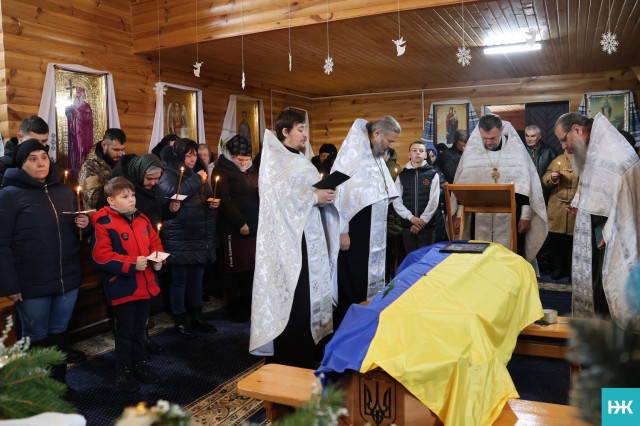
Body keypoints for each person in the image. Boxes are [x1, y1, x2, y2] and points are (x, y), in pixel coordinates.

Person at [0, 140, 90, 398]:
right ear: (21, 164)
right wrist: (10, 285)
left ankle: (58, 385)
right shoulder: (9, 194)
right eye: (32, 159)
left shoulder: (63, 191)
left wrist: (85, 225)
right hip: (31, 282)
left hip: (66, 277)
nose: (41, 163)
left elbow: (74, 232)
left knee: (59, 334)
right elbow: (1, 244)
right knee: (36, 337)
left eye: (43, 157)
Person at [250, 109, 334, 368]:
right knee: (298, 298)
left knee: (312, 295)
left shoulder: (303, 160)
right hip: (291, 243)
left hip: (311, 237)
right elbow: (278, 202)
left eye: (305, 128)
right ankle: (293, 357)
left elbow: (307, 193)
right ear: (285, 132)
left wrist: (324, 196)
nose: (305, 134)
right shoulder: (275, 161)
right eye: (300, 129)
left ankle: (313, 350)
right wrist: (313, 197)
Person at [554, 112, 640, 328]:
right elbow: (593, 186)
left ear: (576, 130)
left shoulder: (611, 153)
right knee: (595, 286)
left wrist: (608, 231)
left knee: (605, 289)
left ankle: (609, 337)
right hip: (596, 230)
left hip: (610, 235)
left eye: (564, 139)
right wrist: (580, 203)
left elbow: (622, 200)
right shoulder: (592, 148)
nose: (564, 146)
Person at [324, 115, 400, 329]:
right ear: (377, 134)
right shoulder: (350, 159)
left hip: (374, 232)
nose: (390, 146)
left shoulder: (376, 158)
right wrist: (342, 230)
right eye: (389, 141)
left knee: (368, 281)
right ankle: (349, 327)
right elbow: (336, 196)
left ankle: (366, 324)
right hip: (355, 234)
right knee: (353, 280)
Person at [91, 177, 163, 392]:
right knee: (125, 330)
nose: (131, 199)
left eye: (132, 195)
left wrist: (159, 259)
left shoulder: (142, 219)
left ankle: (140, 365)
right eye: (125, 196)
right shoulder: (104, 223)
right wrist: (131, 263)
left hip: (145, 283)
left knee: (140, 328)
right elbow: (101, 256)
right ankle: (124, 370)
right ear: (111, 200)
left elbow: (155, 242)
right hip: (123, 286)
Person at [453, 114, 548, 265]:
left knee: (511, 258)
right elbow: (463, 187)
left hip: (511, 216)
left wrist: (526, 216)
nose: (488, 142)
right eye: (484, 138)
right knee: (480, 258)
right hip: (479, 215)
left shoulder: (516, 153)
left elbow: (525, 187)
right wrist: (460, 215)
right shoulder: (472, 154)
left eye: (493, 138)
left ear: (502, 129)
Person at [159, 138, 218, 336]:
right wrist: (197, 179)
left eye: (194, 155)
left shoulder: (198, 172)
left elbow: (205, 195)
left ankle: (197, 315)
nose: (193, 159)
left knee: (196, 279)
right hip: (179, 234)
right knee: (179, 279)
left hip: (198, 233)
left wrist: (211, 203)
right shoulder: (168, 172)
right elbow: (171, 194)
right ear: (179, 156)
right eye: (188, 155)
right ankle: (180, 317)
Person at [108, 153, 166, 354]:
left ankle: (142, 339)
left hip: (148, 248)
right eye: (150, 178)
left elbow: (157, 216)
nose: (154, 183)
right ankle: (129, 354)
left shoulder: (153, 189)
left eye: (157, 179)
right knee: (127, 319)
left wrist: (171, 210)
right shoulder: (124, 189)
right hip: (128, 258)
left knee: (143, 308)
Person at [216, 135, 259, 322]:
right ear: (231, 156)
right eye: (239, 159)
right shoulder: (221, 169)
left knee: (250, 267)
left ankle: (249, 304)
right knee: (235, 268)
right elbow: (224, 201)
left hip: (254, 225)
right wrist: (240, 222)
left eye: (246, 159)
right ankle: (234, 306)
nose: (243, 163)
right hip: (232, 228)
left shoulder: (253, 168)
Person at [393, 141, 441, 254]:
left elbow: (434, 201)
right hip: (408, 225)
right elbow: (396, 200)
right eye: (414, 150)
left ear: (425, 155)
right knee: (411, 258)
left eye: (421, 151)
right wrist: (410, 217)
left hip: (427, 226)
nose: (418, 153)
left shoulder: (433, 174)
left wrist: (422, 221)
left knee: (426, 259)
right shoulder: (402, 175)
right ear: (409, 154)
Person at [542, 149, 578, 280]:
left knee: (574, 241)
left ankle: (573, 269)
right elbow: (545, 180)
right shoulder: (558, 160)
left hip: (575, 205)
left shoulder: (584, 160)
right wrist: (552, 177)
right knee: (556, 240)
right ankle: (558, 267)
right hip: (557, 206)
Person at [79, 128, 126, 210]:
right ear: (104, 145)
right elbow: (94, 202)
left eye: (122, 150)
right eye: (116, 150)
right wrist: (116, 176)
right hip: (99, 215)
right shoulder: (89, 166)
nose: (120, 154)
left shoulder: (118, 159)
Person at [0, 115, 49, 185]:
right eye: (33, 141)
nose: (39, 146)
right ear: (20, 137)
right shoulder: (2, 166)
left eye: (44, 141)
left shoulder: (49, 163)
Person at [65, 86, 94, 178]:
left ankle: (82, 168)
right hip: (74, 132)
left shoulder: (86, 106)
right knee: (74, 149)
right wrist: (69, 110)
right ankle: (74, 168)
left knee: (81, 149)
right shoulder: (74, 105)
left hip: (83, 134)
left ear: (83, 95)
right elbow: (70, 118)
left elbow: (87, 119)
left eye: (79, 93)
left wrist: (76, 111)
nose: (77, 95)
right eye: (76, 93)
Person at [523, 125, 555, 202]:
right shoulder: (520, 150)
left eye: (532, 136)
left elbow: (555, 173)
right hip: (525, 191)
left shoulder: (549, 151)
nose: (529, 139)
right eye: (527, 136)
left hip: (544, 192)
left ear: (539, 136)